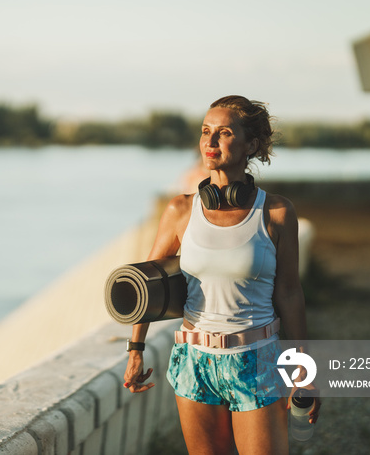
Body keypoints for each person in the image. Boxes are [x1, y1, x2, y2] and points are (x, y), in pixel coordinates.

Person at [123, 95, 321, 454]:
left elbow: (290, 293)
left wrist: (302, 368)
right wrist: (135, 349)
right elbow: (145, 288)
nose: (210, 142)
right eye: (205, 131)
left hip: (256, 359)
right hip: (194, 362)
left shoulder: (275, 212)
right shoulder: (180, 210)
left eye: (224, 132)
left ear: (252, 145)